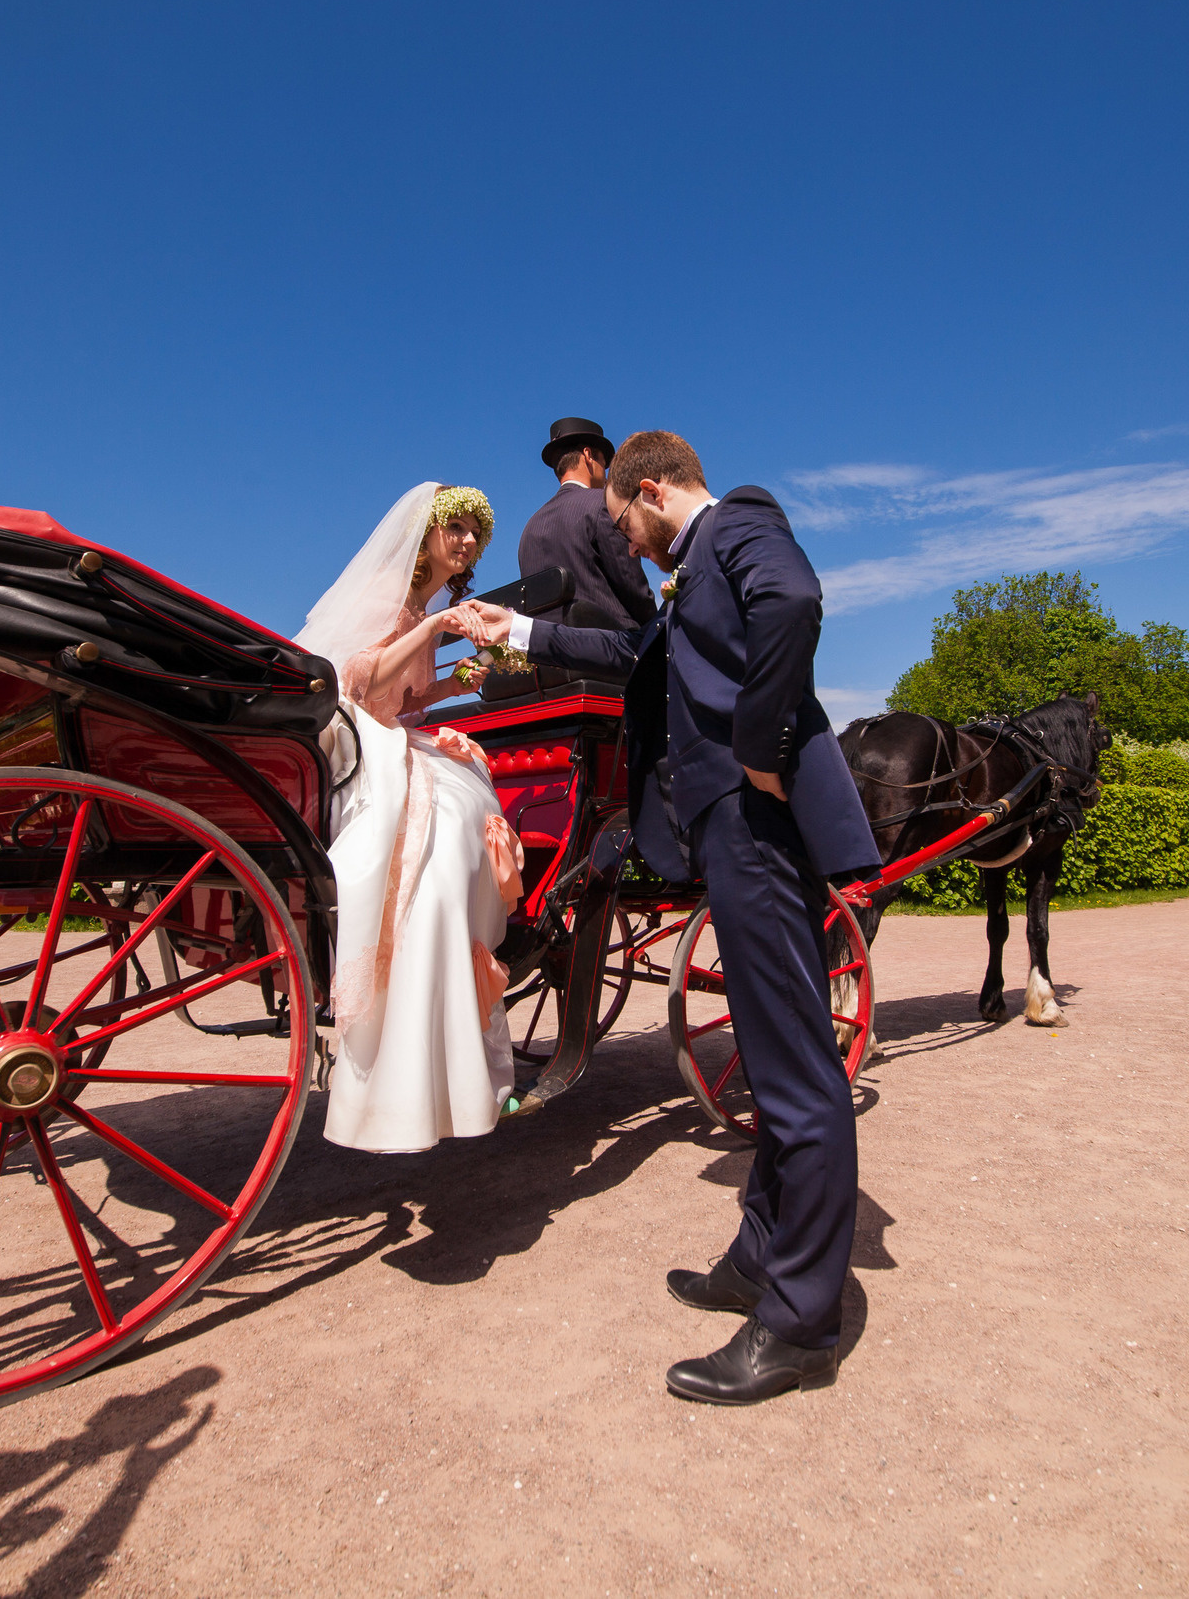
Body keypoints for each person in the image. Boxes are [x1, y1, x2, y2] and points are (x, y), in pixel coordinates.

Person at [461, 430, 878, 1405]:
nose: (629, 544)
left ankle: (800, 1324)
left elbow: (796, 602)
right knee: (774, 1054)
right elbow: (632, 651)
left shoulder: (741, 521)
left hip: (755, 815)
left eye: (625, 525)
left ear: (650, 488)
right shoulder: (691, 573)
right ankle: (758, 1259)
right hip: (728, 829)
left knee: (795, 1065)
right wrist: (514, 635)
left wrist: (763, 742)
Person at [295, 482, 524, 1154]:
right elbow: (358, 686)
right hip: (360, 748)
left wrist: (457, 685)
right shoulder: (387, 602)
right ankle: (413, 994)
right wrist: (435, 627)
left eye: (475, 535)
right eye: (454, 529)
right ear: (422, 536)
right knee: (449, 823)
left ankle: (449, 995)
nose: (467, 543)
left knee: (466, 799)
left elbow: (409, 700)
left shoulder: (422, 607)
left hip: (396, 736)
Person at [516, 417, 657, 629]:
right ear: (588, 455)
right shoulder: (602, 505)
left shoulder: (530, 528)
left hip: (548, 653)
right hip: (610, 649)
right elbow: (632, 586)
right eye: (604, 463)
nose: (606, 473)